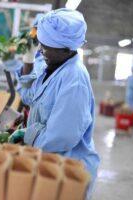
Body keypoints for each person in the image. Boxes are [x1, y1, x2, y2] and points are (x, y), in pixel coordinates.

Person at [6, 8, 100, 198]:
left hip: (68, 171)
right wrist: (28, 58)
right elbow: (30, 96)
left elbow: (60, 137)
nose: (41, 50)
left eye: (45, 47)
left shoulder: (74, 80)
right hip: (52, 163)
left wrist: (29, 134)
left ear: (66, 49)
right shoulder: (54, 67)